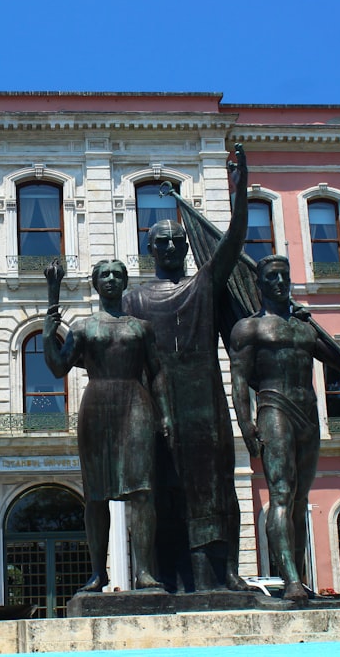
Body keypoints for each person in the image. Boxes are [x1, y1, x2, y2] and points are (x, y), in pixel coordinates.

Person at [123, 145, 251, 592]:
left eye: (179, 241)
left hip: (206, 403)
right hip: (157, 408)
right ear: (150, 247)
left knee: (217, 489)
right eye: (164, 242)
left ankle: (224, 573)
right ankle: (161, 577)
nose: (174, 246)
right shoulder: (132, 299)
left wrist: (241, 189)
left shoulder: (203, 286)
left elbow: (233, 241)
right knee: (162, 493)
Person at [229, 255, 340, 602]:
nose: (279, 282)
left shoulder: (305, 327)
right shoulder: (249, 328)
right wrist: (246, 424)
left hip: (308, 412)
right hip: (274, 408)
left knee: (301, 500)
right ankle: (290, 580)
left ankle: (298, 578)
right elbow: (239, 380)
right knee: (282, 496)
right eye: (271, 277)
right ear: (259, 284)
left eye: (284, 276)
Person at [43, 259, 173, 592]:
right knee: (96, 497)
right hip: (97, 406)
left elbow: (157, 373)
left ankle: (144, 571)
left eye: (117, 274)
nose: (111, 279)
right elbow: (58, 367)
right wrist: (48, 330)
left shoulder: (141, 328)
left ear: (125, 282)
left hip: (135, 404)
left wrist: (165, 414)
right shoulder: (84, 328)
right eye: (105, 275)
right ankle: (98, 573)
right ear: (96, 283)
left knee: (142, 492)